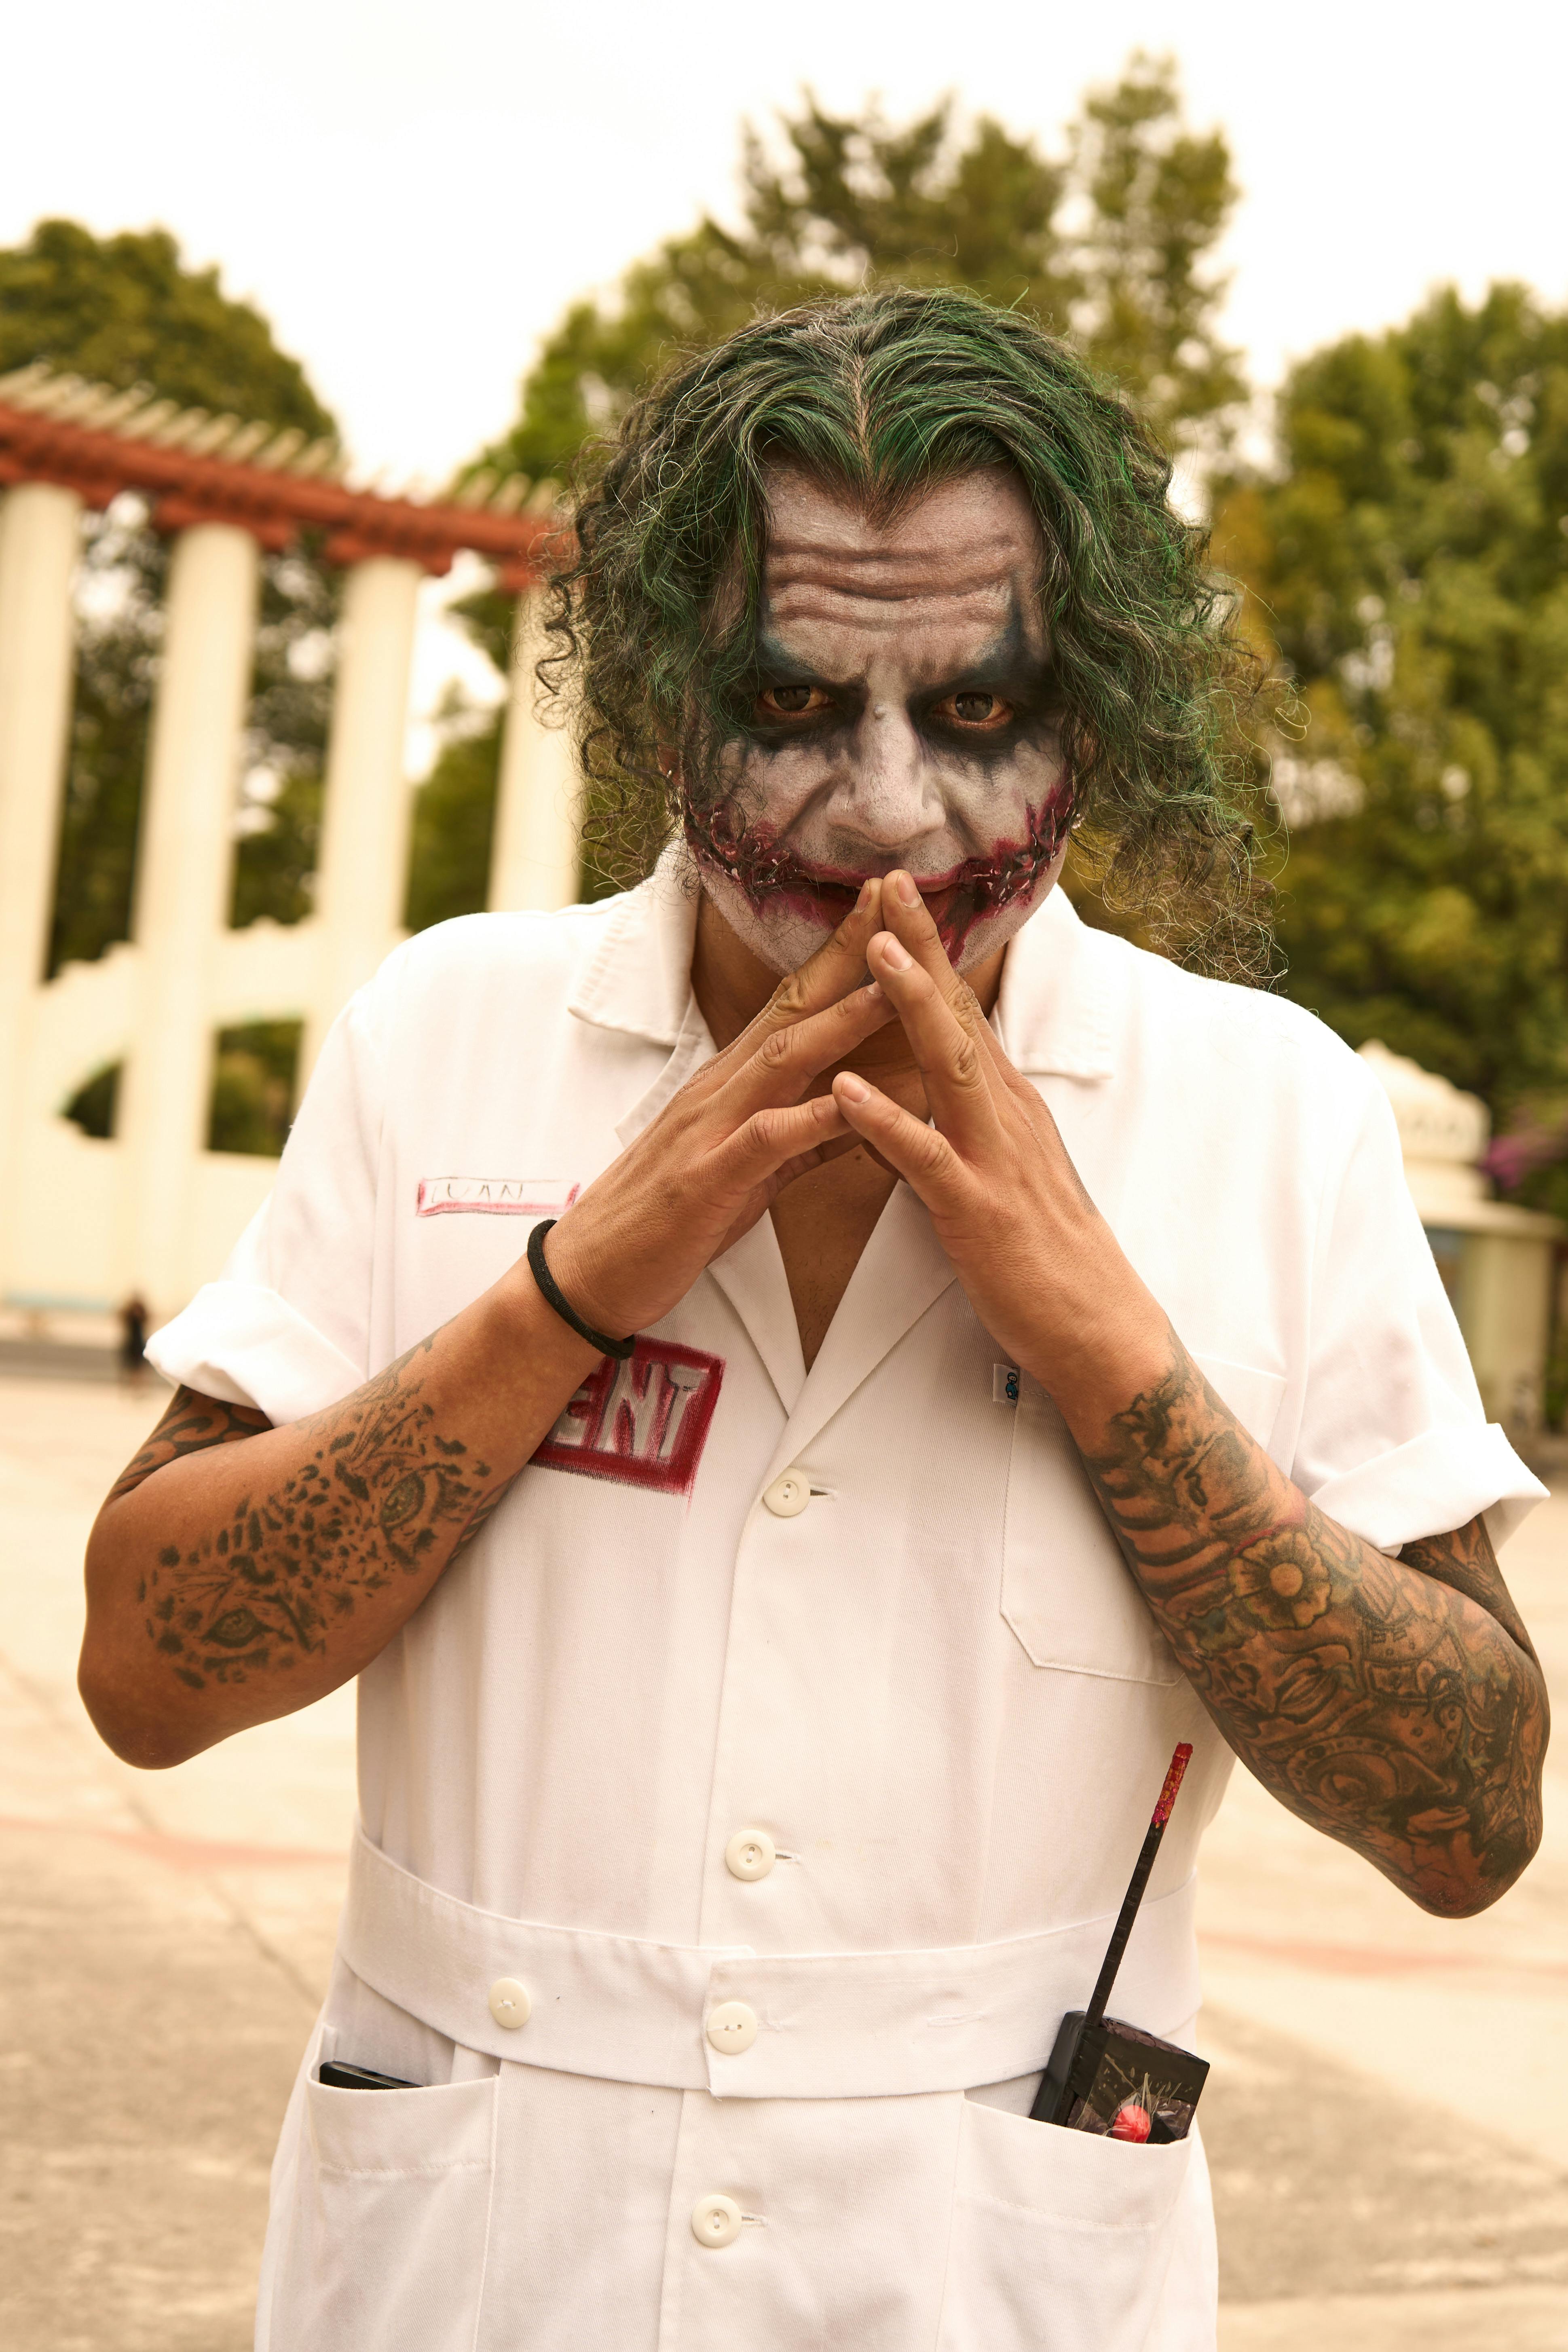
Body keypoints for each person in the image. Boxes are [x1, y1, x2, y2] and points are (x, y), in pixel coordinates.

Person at [78, 290, 1548, 2352]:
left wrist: (1115, 1351)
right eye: (788, 707)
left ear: (1094, 716)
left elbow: (1471, 1813)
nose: (882, 814)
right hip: (483, 2260)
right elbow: (146, 1669)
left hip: (981, 2269)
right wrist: (582, 1277)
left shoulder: (1262, 1109)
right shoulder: (449, 1034)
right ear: (660, 698)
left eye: (974, 719)